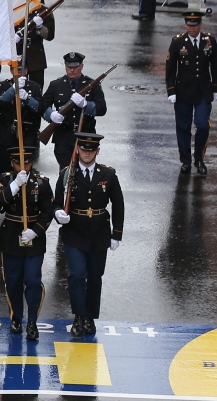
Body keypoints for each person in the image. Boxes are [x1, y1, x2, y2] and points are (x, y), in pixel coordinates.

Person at [53, 133, 124, 339]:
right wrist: (58, 214)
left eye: (91, 150)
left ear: (97, 152)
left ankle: (90, 317)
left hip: (99, 233)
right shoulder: (68, 174)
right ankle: (78, 316)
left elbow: (118, 204)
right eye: (83, 150)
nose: (87, 153)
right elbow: (56, 202)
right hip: (75, 232)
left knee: (94, 277)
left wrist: (116, 233)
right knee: (76, 275)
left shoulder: (108, 175)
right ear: (78, 150)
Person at [0, 146, 54, 341]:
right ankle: (16, 317)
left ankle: (33, 320)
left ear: (31, 163)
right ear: (12, 163)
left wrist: (36, 231)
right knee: (13, 280)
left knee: (33, 280)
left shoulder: (41, 183)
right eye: (18, 162)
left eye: (26, 163)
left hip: (33, 236)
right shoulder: (5, 180)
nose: (22, 167)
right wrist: (14, 186)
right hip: (11, 234)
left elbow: (47, 211)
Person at [165, 8, 217, 175]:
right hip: (183, 91)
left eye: (195, 25)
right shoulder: (177, 42)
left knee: (202, 125)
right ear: (186, 24)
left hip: (203, 90)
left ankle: (199, 158)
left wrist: (215, 87)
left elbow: (215, 65)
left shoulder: (209, 40)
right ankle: (186, 161)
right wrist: (171, 90)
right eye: (189, 25)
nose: (192, 28)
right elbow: (170, 68)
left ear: (200, 24)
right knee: (183, 127)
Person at [40, 52, 107, 171]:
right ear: (65, 66)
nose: (72, 70)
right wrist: (51, 115)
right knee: (66, 172)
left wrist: (86, 105)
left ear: (82, 66)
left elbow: (102, 108)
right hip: (63, 137)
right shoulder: (56, 85)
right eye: (69, 67)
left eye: (75, 67)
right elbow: (43, 105)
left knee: (84, 171)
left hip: (85, 136)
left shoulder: (92, 85)